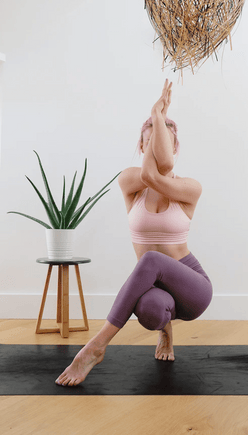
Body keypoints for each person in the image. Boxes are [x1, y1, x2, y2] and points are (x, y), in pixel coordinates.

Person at [55, 79, 213, 387]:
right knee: (151, 311)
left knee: (152, 258)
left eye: (163, 141)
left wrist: (157, 118)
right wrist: (158, 122)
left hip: (192, 288)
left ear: (174, 147)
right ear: (141, 147)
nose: (156, 147)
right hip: (155, 290)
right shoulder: (130, 182)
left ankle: (95, 347)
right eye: (149, 142)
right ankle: (164, 331)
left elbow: (159, 169)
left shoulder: (189, 188)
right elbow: (146, 174)